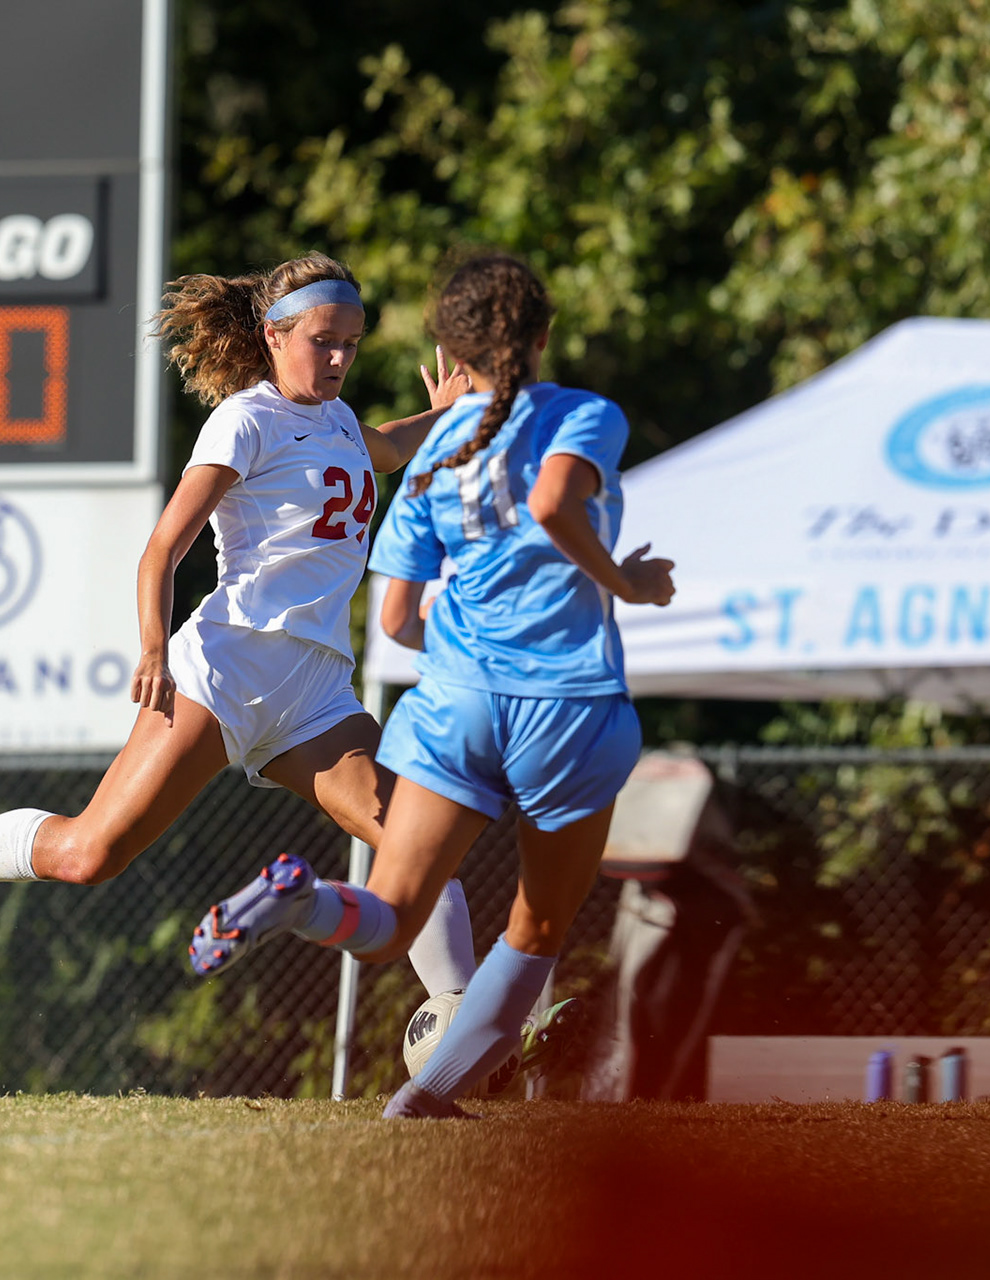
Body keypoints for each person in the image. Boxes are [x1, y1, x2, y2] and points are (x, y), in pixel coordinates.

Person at [0, 254, 481, 1006]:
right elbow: (163, 547)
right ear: (273, 334)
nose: (338, 358)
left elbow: (387, 448)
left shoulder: (340, 425)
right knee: (89, 853)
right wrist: (156, 651)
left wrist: (448, 417)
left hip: (317, 691)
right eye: (323, 340)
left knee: (416, 845)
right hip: (226, 670)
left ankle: (469, 1024)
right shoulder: (246, 419)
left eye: (351, 344)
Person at [188, 251, 677, 1118]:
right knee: (536, 927)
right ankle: (431, 1087)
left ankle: (303, 906)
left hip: (454, 702)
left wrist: (458, 647)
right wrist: (628, 583)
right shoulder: (582, 413)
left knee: (390, 920)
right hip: (566, 703)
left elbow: (397, 621)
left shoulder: (437, 451)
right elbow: (558, 499)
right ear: (542, 336)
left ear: (452, 346)